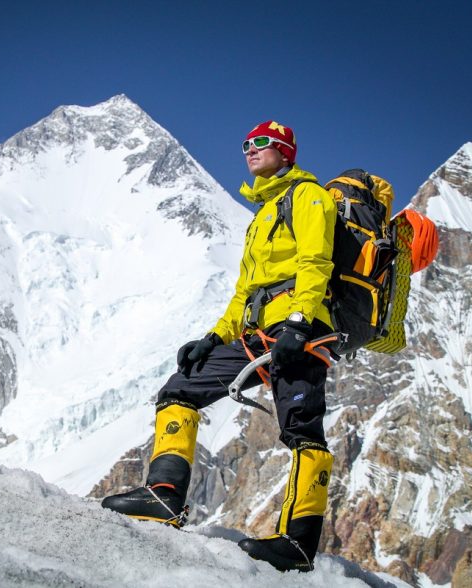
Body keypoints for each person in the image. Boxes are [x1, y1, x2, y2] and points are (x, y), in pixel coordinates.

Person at [101, 121, 337, 573]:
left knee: (302, 429)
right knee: (180, 389)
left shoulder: (308, 197)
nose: (250, 150)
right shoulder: (264, 214)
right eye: (246, 144)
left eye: (261, 143)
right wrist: (213, 337)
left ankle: (299, 545)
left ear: (286, 151)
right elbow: (245, 292)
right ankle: (164, 496)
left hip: (299, 332)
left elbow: (315, 263)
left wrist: (300, 322)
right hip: (254, 333)